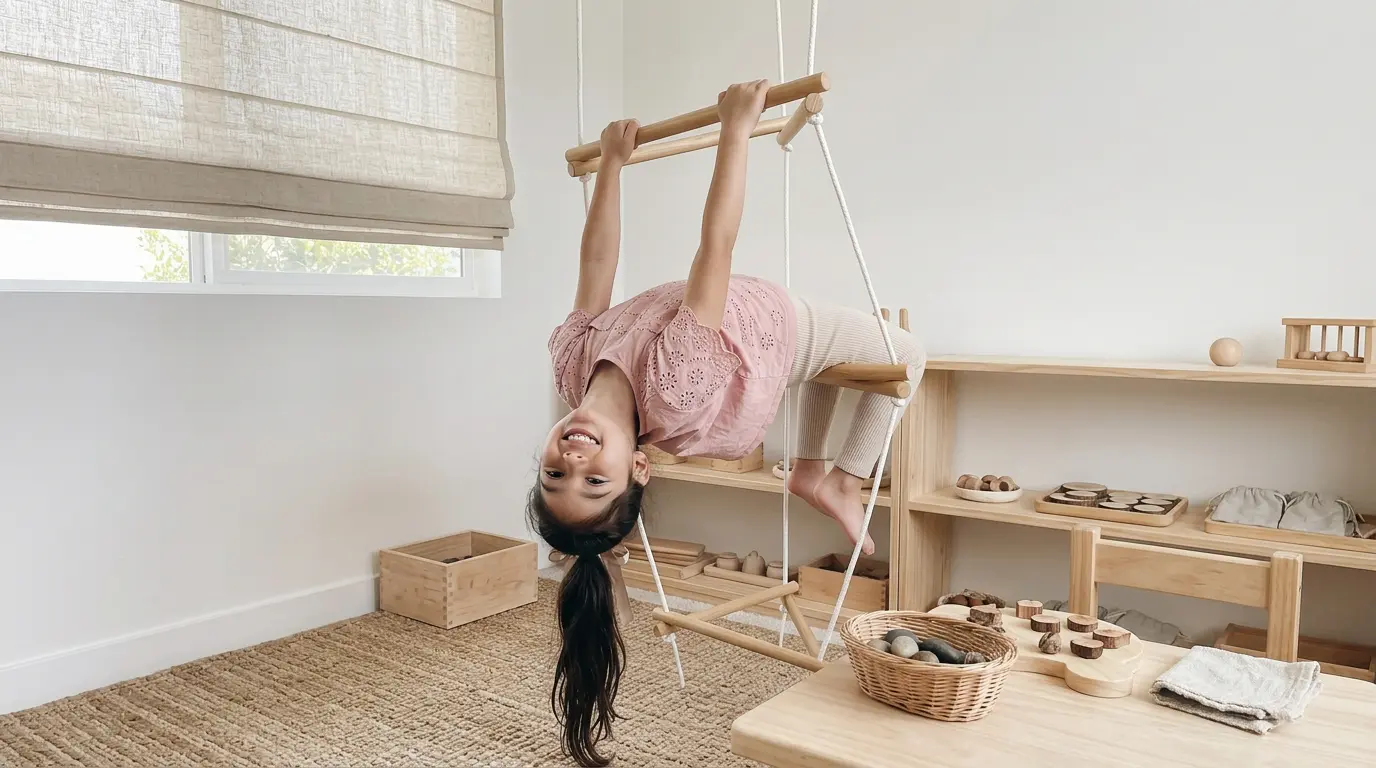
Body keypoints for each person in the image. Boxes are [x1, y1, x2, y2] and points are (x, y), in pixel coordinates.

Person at [526, 80, 923, 766]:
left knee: (832, 368)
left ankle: (809, 471)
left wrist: (614, 166)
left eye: (556, 473)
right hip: (772, 324)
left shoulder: (571, 367)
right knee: (906, 352)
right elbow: (716, 248)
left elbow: (596, 265)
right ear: (639, 467)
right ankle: (845, 480)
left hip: (754, 338)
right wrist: (738, 129)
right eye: (595, 482)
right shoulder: (672, 386)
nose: (576, 456)